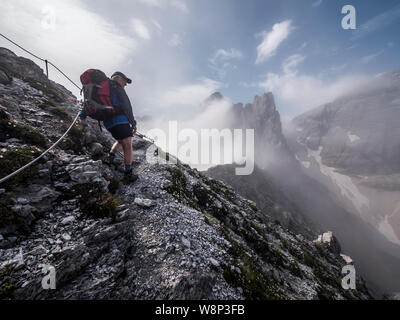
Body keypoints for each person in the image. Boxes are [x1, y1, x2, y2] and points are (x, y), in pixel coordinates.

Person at [79, 71, 138, 183]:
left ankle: (110, 156)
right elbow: (126, 105)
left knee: (120, 140)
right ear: (118, 78)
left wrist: (82, 116)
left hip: (108, 122)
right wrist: (133, 123)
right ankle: (128, 174)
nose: (125, 85)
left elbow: (89, 102)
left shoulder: (100, 88)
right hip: (120, 120)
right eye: (125, 81)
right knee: (127, 144)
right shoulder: (116, 87)